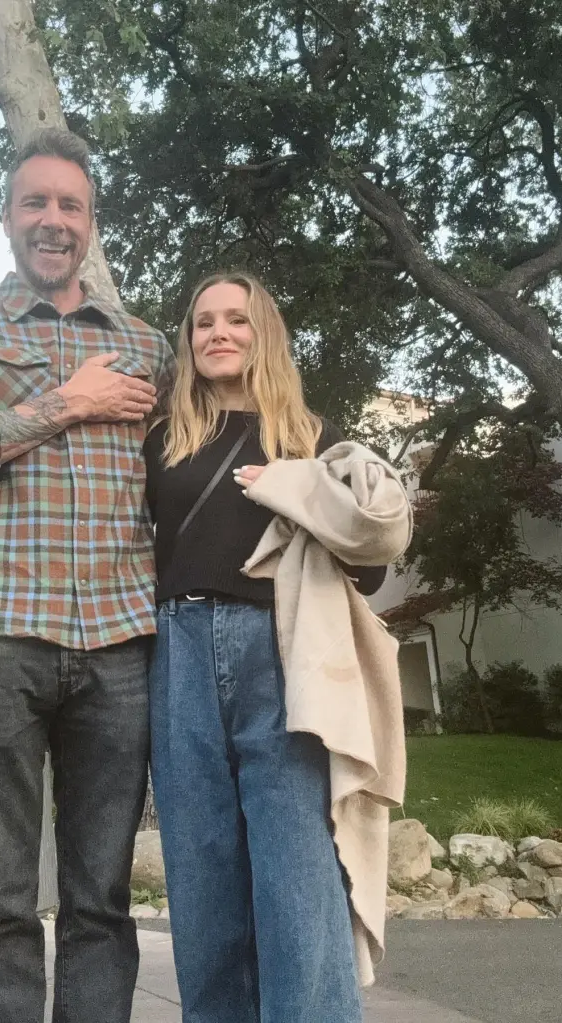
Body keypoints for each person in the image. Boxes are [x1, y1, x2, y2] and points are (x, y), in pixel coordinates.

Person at [0, 128, 174, 1023]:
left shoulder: (146, 344)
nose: (53, 220)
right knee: (0, 896)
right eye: (35, 202)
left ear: (91, 224)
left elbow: (184, 472)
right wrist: (68, 402)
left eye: (70, 206)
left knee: (101, 898)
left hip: (122, 643)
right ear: (7, 215)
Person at [144, 271, 410, 1023]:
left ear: (264, 334)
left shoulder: (309, 437)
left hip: (281, 652)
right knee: (201, 873)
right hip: (179, 650)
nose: (217, 333)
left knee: (295, 872)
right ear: (188, 340)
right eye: (202, 322)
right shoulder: (164, 437)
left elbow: (371, 561)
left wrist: (299, 488)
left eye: (235, 319)